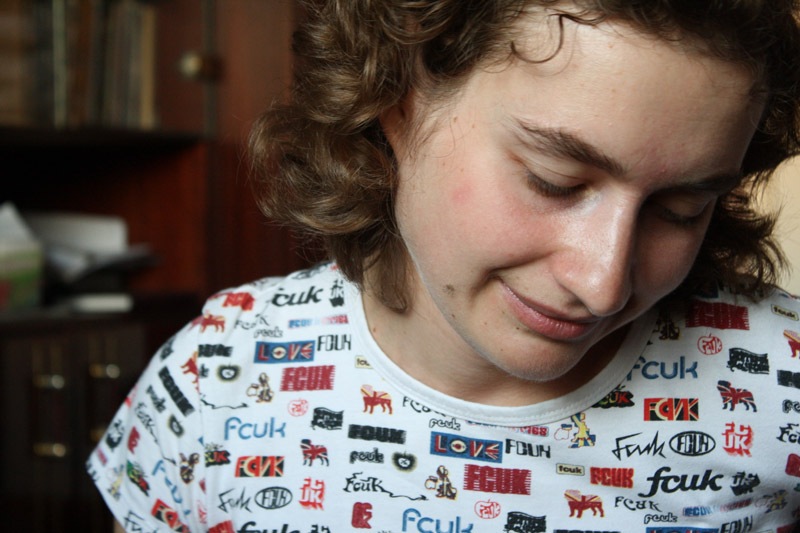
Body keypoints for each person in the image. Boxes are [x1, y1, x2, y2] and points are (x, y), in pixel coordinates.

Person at [89, 1, 800, 531]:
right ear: (399, 103)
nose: (602, 282)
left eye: (680, 209)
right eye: (554, 180)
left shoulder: (782, 378)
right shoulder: (217, 375)